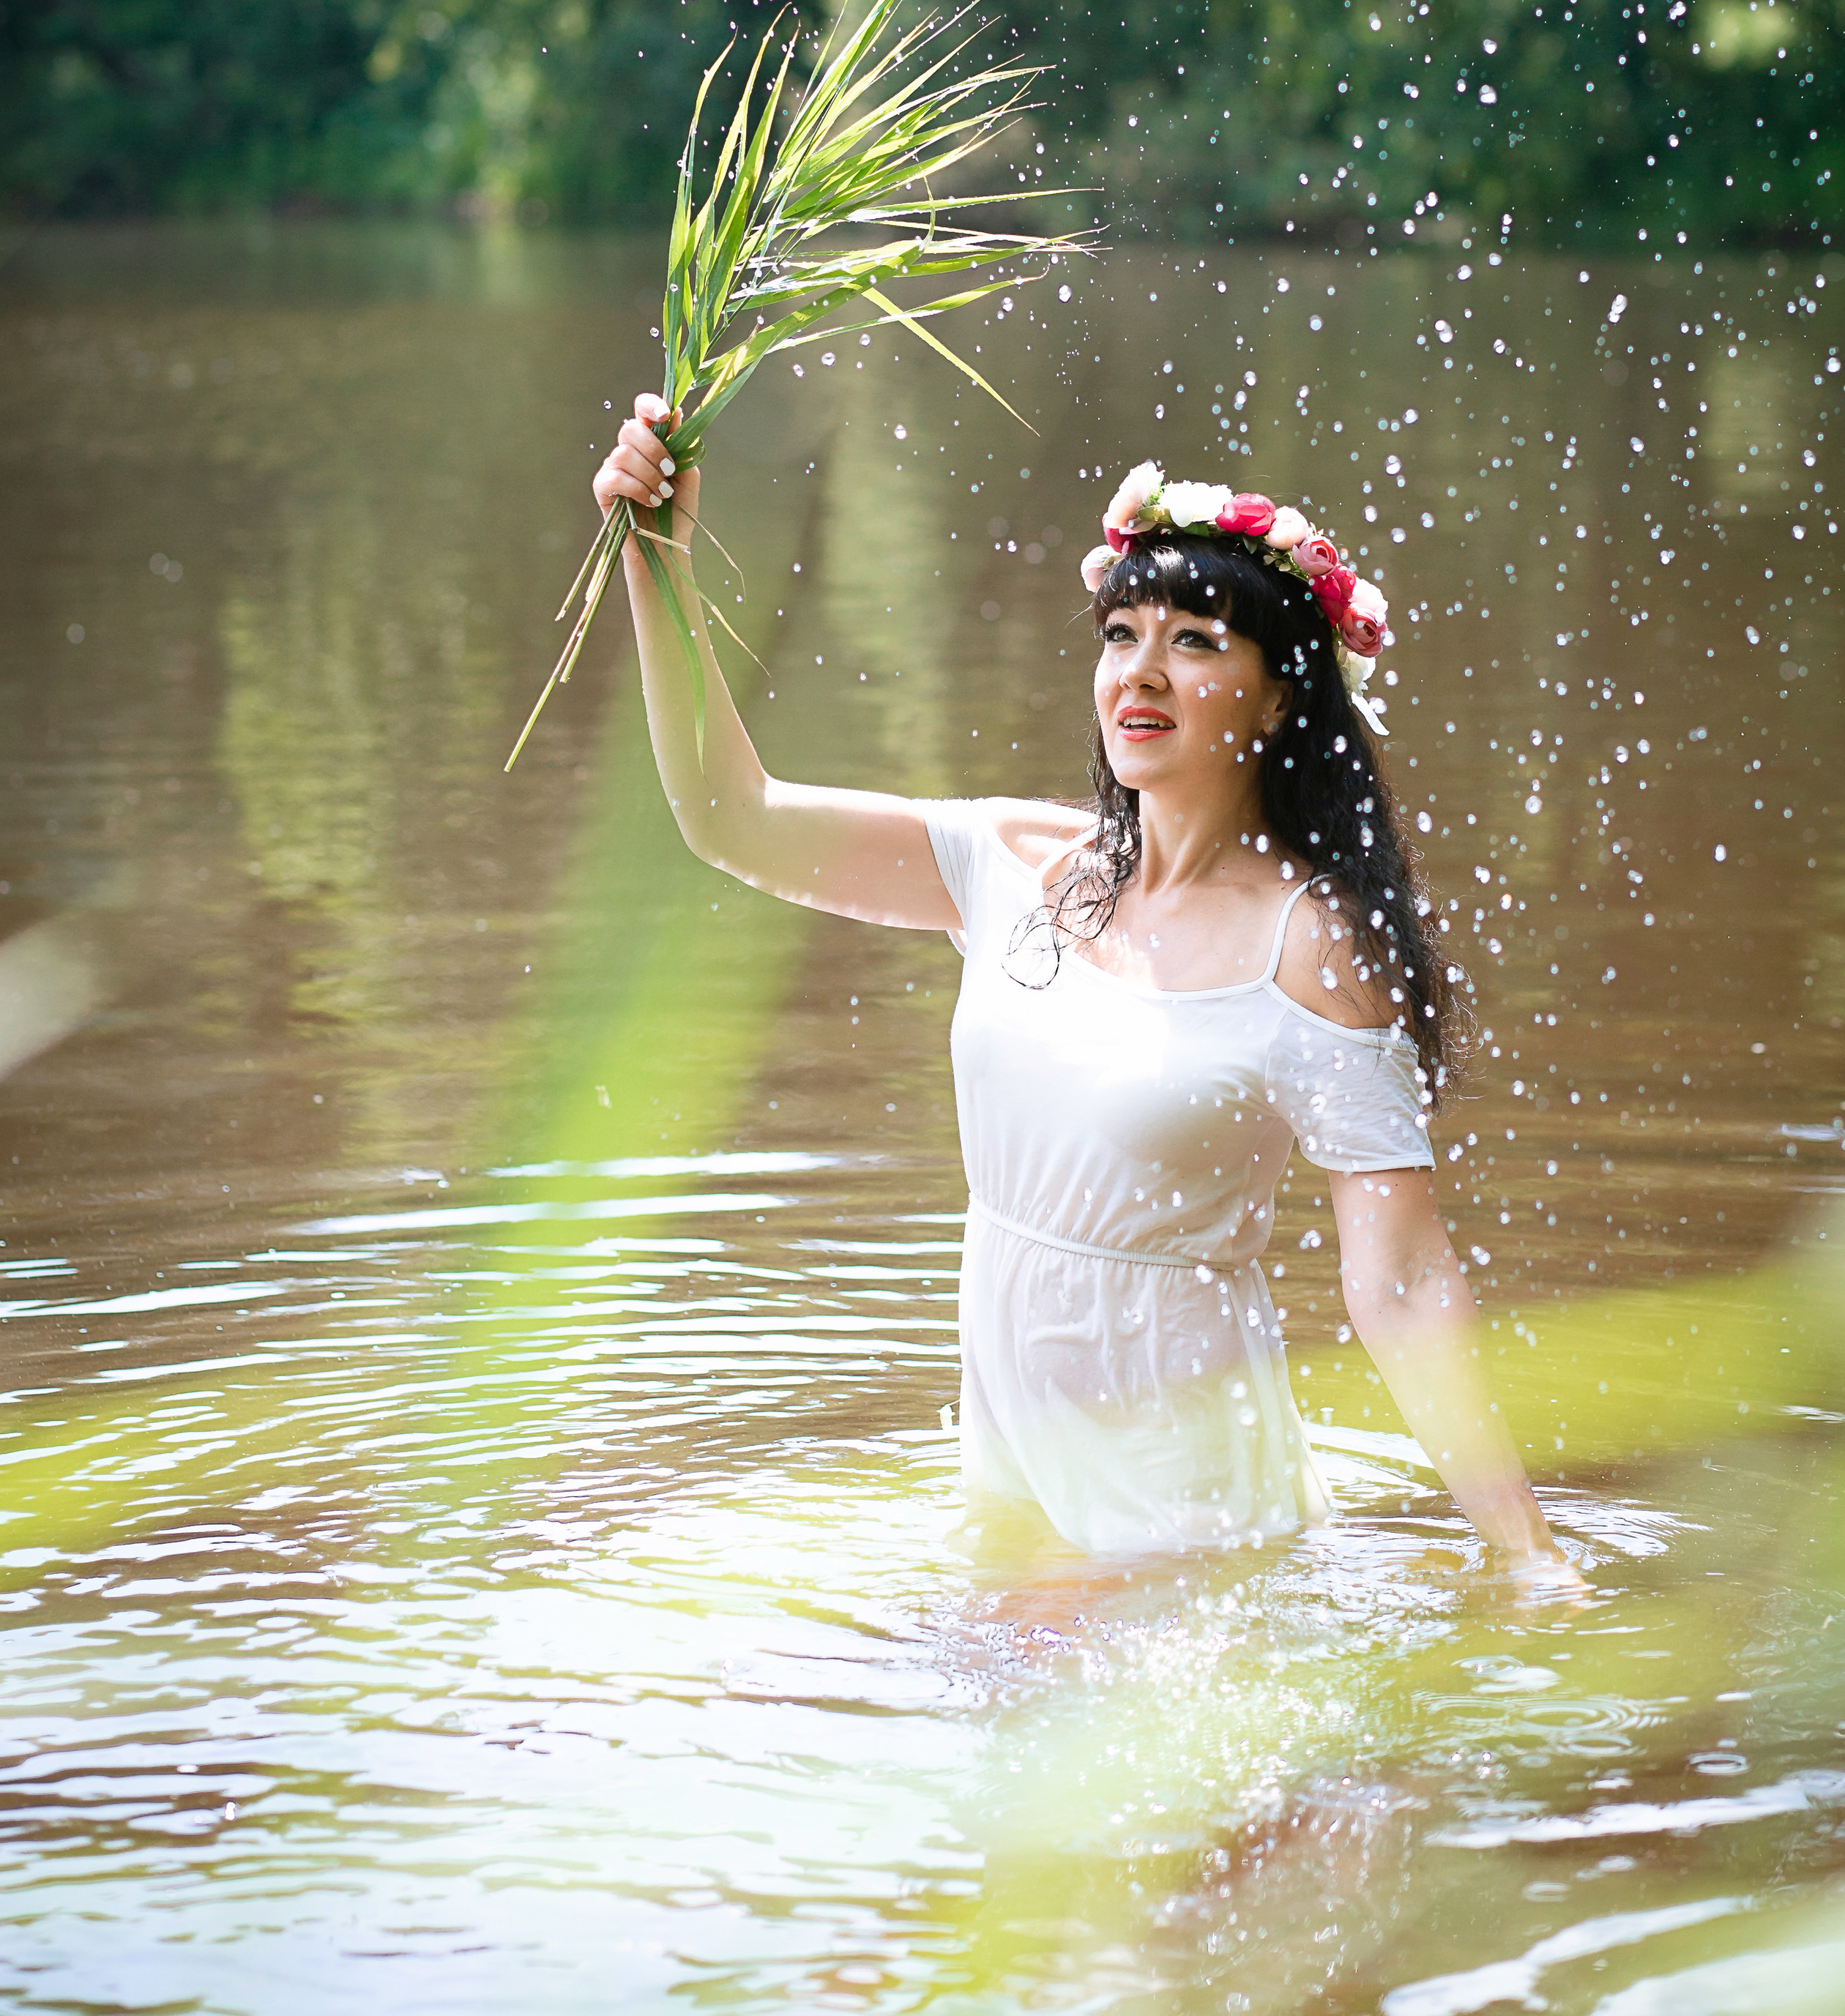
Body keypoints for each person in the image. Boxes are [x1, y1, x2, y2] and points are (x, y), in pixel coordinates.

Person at [595, 398, 1578, 1587]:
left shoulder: (1312, 948)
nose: (1141, 672)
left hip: (1183, 1495)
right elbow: (730, 818)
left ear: (1282, 696)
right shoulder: (1014, 865)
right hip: (1013, 1477)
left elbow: (1406, 1283)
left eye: (1196, 641)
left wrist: (1531, 1559)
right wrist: (659, 563)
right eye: (1121, 633)